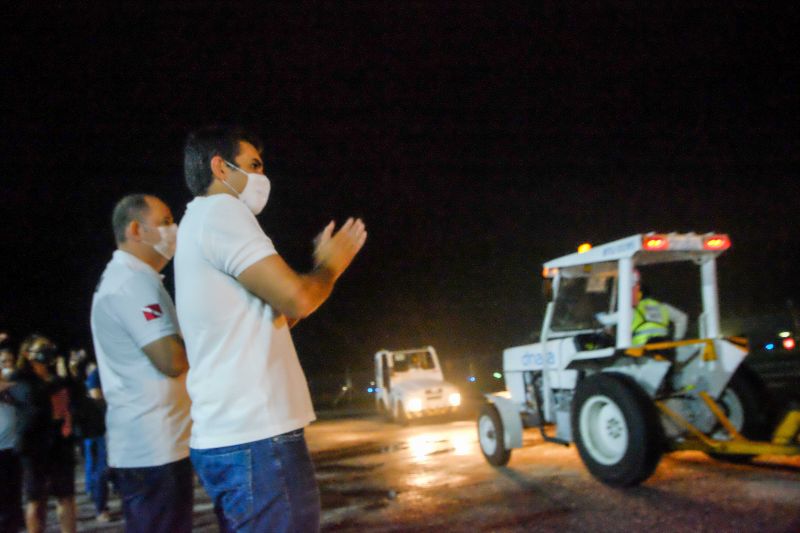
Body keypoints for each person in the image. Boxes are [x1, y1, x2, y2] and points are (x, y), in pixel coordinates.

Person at [176, 125, 367, 532]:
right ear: (220, 168)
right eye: (254, 165)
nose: (263, 178)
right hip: (257, 438)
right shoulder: (222, 212)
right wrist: (331, 266)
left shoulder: (198, 223)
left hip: (235, 438)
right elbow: (297, 297)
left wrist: (314, 281)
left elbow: (282, 311)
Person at [90, 194, 193, 532]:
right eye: (165, 222)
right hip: (153, 449)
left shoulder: (134, 278)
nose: (174, 229)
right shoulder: (132, 282)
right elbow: (172, 360)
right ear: (136, 229)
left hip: (157, 446)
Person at [11, 334, 77, 533]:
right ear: (27, 353)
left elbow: (75, 397)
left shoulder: (56, 377)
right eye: (41, 348)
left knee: (66, 496)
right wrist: (57, 384)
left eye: (48, 347)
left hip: (60, 442)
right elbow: (33, 399)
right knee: (36, 499)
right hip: (34, 445)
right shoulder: (19, 377)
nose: (46, 352)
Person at [1, 338, 23, 533]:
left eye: (10, 361)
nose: (8, 366)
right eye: (3, 362)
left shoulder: (16, 384)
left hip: (14, 446)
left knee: (14, 495)